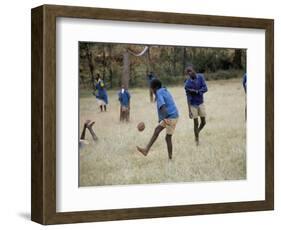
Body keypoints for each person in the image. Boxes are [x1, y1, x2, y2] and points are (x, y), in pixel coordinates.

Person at [137, 79, 179, 160]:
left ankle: (170, 159)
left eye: (151, 89)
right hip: (171, 115)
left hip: (171, 117)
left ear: (155, 88)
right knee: (157, 130)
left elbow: (163, 106)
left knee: (168, 138)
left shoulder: (159, 93)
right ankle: (146, 150)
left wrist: (164, 118)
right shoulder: (163, 90)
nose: (151, 91)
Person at [184, 64, 208, 146]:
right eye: (188, 72)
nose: (190, 73)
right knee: (196, 123)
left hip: (201, 102)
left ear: (194, 70)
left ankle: (197, 132)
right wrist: (189, 111)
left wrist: (197, 91)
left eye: (191, 70)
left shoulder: (201, 77)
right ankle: (197, 140)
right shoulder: (187, 84)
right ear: (188, 74)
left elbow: (205, 88)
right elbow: (188, 97)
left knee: (204, 122)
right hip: (193, 105)